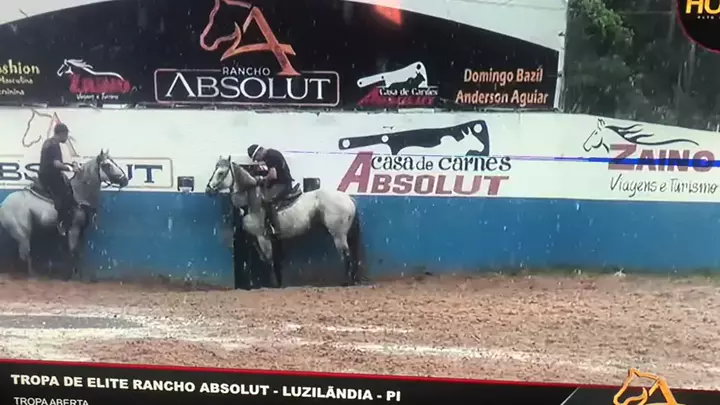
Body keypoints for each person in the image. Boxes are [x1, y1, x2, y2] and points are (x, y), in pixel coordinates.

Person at [39, 123, 79, 237]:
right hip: (51, 177)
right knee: (66, 196)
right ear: (61, 134)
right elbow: (56, 164)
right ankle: (61, 223)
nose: (67, 137)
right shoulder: (54, 145)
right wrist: (71, 169)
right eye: (66, 135)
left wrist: (69, 165)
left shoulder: (48, 142)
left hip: (44, 174)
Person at [247, 144, 294, 237]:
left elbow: (273, 175)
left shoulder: (271, 157)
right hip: (279, 183)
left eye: (256, 158)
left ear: (259, 152)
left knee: (267, 200)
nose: (257, 161)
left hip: (284, 184)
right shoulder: (270, 154)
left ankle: (276, 228)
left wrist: (263, 179)